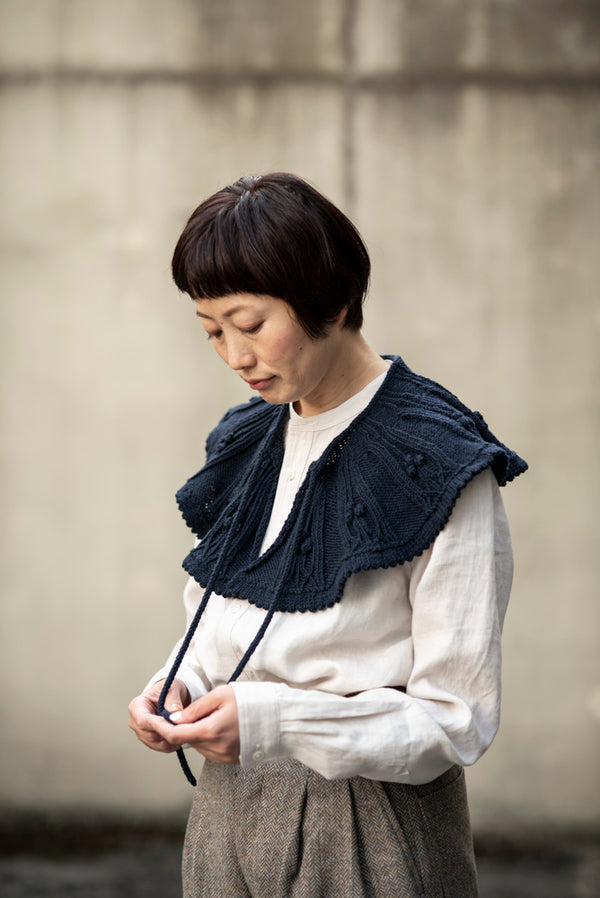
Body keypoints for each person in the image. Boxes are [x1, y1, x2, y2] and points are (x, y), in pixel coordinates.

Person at [128, 172, 527, 898]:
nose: (235, 356)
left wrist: (274, 721)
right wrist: (177, 686)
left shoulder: (438, 460)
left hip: (370, 821)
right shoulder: (245, 441)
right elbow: (215, 627)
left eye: (250, 325)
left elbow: (455, 720)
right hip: (224, 809)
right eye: (212, 331)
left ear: (331, 300)